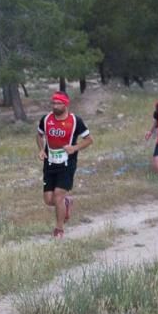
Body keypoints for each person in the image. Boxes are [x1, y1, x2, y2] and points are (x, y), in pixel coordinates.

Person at [36, 92, 93, 238]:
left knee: (58, 196)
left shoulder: (75, 121)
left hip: (67, 163)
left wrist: (74, 148)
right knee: (49, 200)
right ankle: (67, 203)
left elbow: (89, 140)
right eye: (53, 103)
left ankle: (59, 229)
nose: (55, 106)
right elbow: (39, 135)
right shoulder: (46, 119)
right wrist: (41, 149)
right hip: (50, 163)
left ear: (66, 104)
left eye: (58, 103)